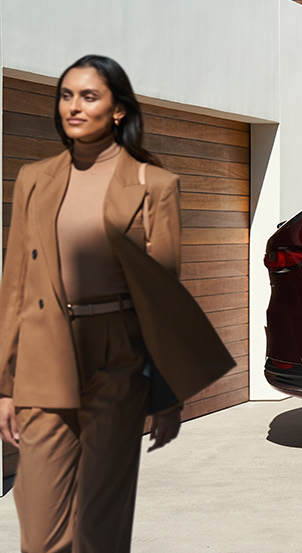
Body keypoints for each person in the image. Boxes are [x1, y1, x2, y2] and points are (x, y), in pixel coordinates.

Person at [0, 55, 234, 553]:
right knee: (39, 535)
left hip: (118, 362)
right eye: (66, 95)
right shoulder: (33, 179)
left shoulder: (155, 185)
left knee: (100, 529)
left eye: (89, 96)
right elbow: (14, 286)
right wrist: (3, 386)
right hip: (43, 359)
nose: (73, 106)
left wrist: (166, 398)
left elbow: (163, 303)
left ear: (118, 109)